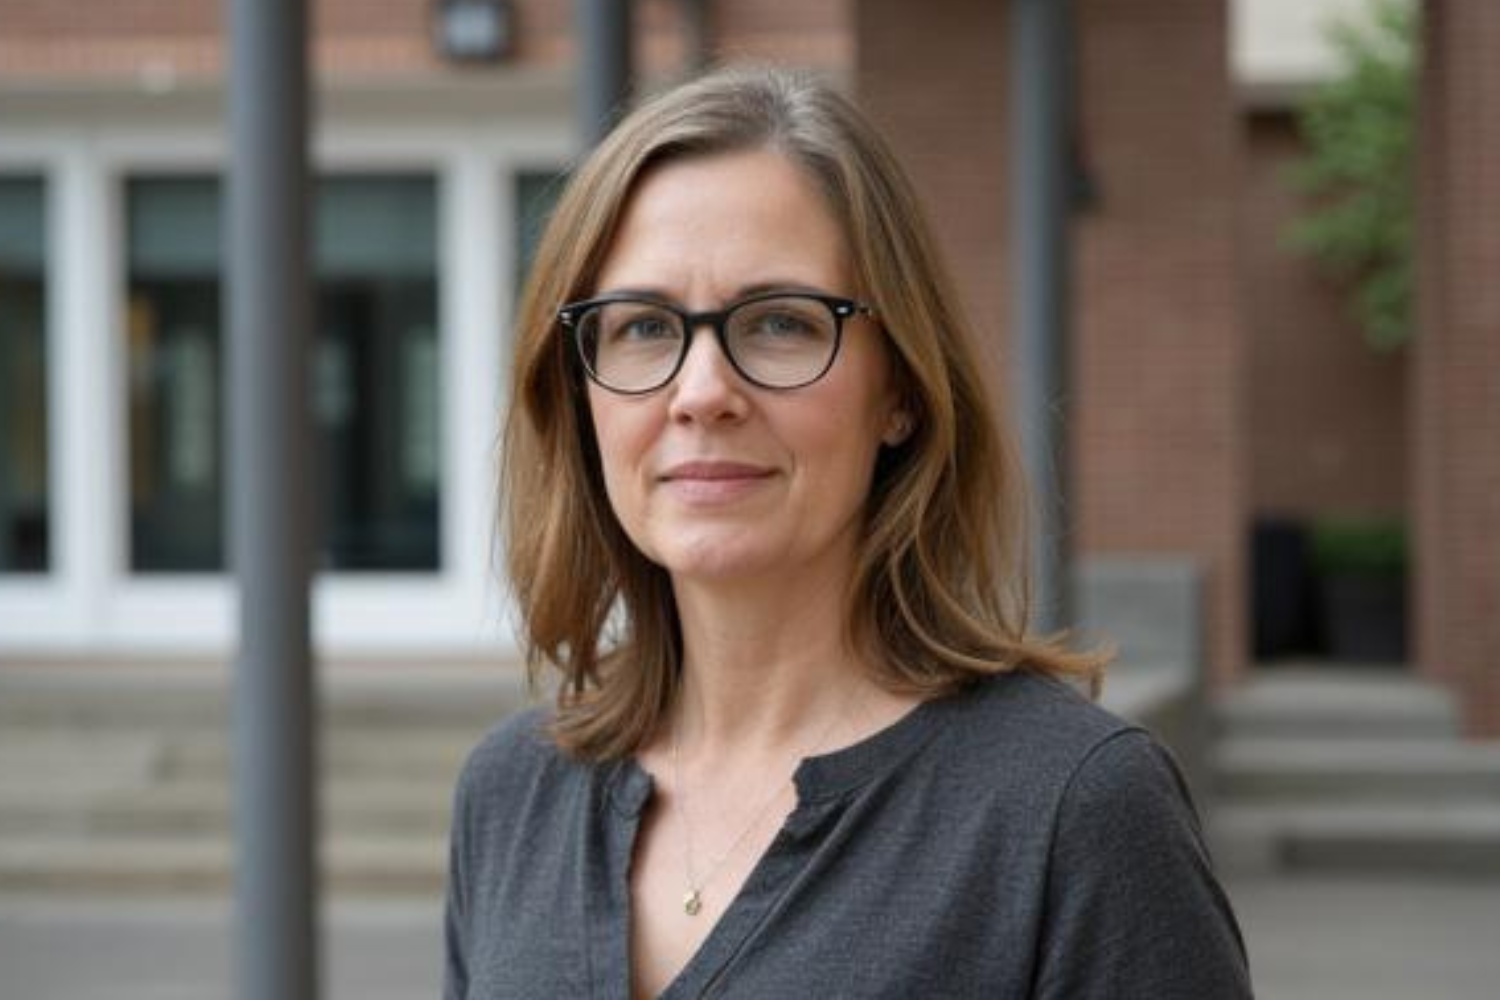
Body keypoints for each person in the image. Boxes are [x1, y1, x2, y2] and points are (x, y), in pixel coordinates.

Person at [445, 66, 1252, 999]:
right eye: (643, 328)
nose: (701, 393)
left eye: (780, 323)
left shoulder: (1072, 811)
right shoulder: (510, 795)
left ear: (899, 388)